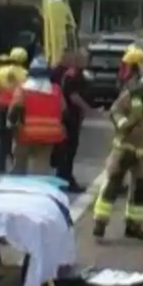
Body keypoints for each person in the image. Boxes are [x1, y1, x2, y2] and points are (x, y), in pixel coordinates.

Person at [92, 65, 143, 240]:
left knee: (141, 190)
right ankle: (100, 222)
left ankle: (134, 226)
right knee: (113, 184)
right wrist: (123, 123)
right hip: (125, 147)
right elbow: (115, 110)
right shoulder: (134, 94)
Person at [6, 56, 66, 175]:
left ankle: (18, 182)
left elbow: (14, 110)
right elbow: (64, 110)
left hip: (25, 135)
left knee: (19, 166)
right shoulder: (56, 90)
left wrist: (11, 126)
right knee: (41, 169)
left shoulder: (22, 90)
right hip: (49, 136)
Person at [52, 48, 92, 193]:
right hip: (70, 117)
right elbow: (73, 96)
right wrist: (88, 109)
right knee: (68, 150)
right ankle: (65, 179)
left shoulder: (76, 74)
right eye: (84, 59)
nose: (87, 61)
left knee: (68, 151)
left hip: (72, 116)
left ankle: (64, 178)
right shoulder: (73, 75)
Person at [0, 47, 28, 174]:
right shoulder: (25, 73)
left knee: (3, 139)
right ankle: (17, 166)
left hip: (3, 107)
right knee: (18, 138)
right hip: (18, 108)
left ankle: (1, 168)